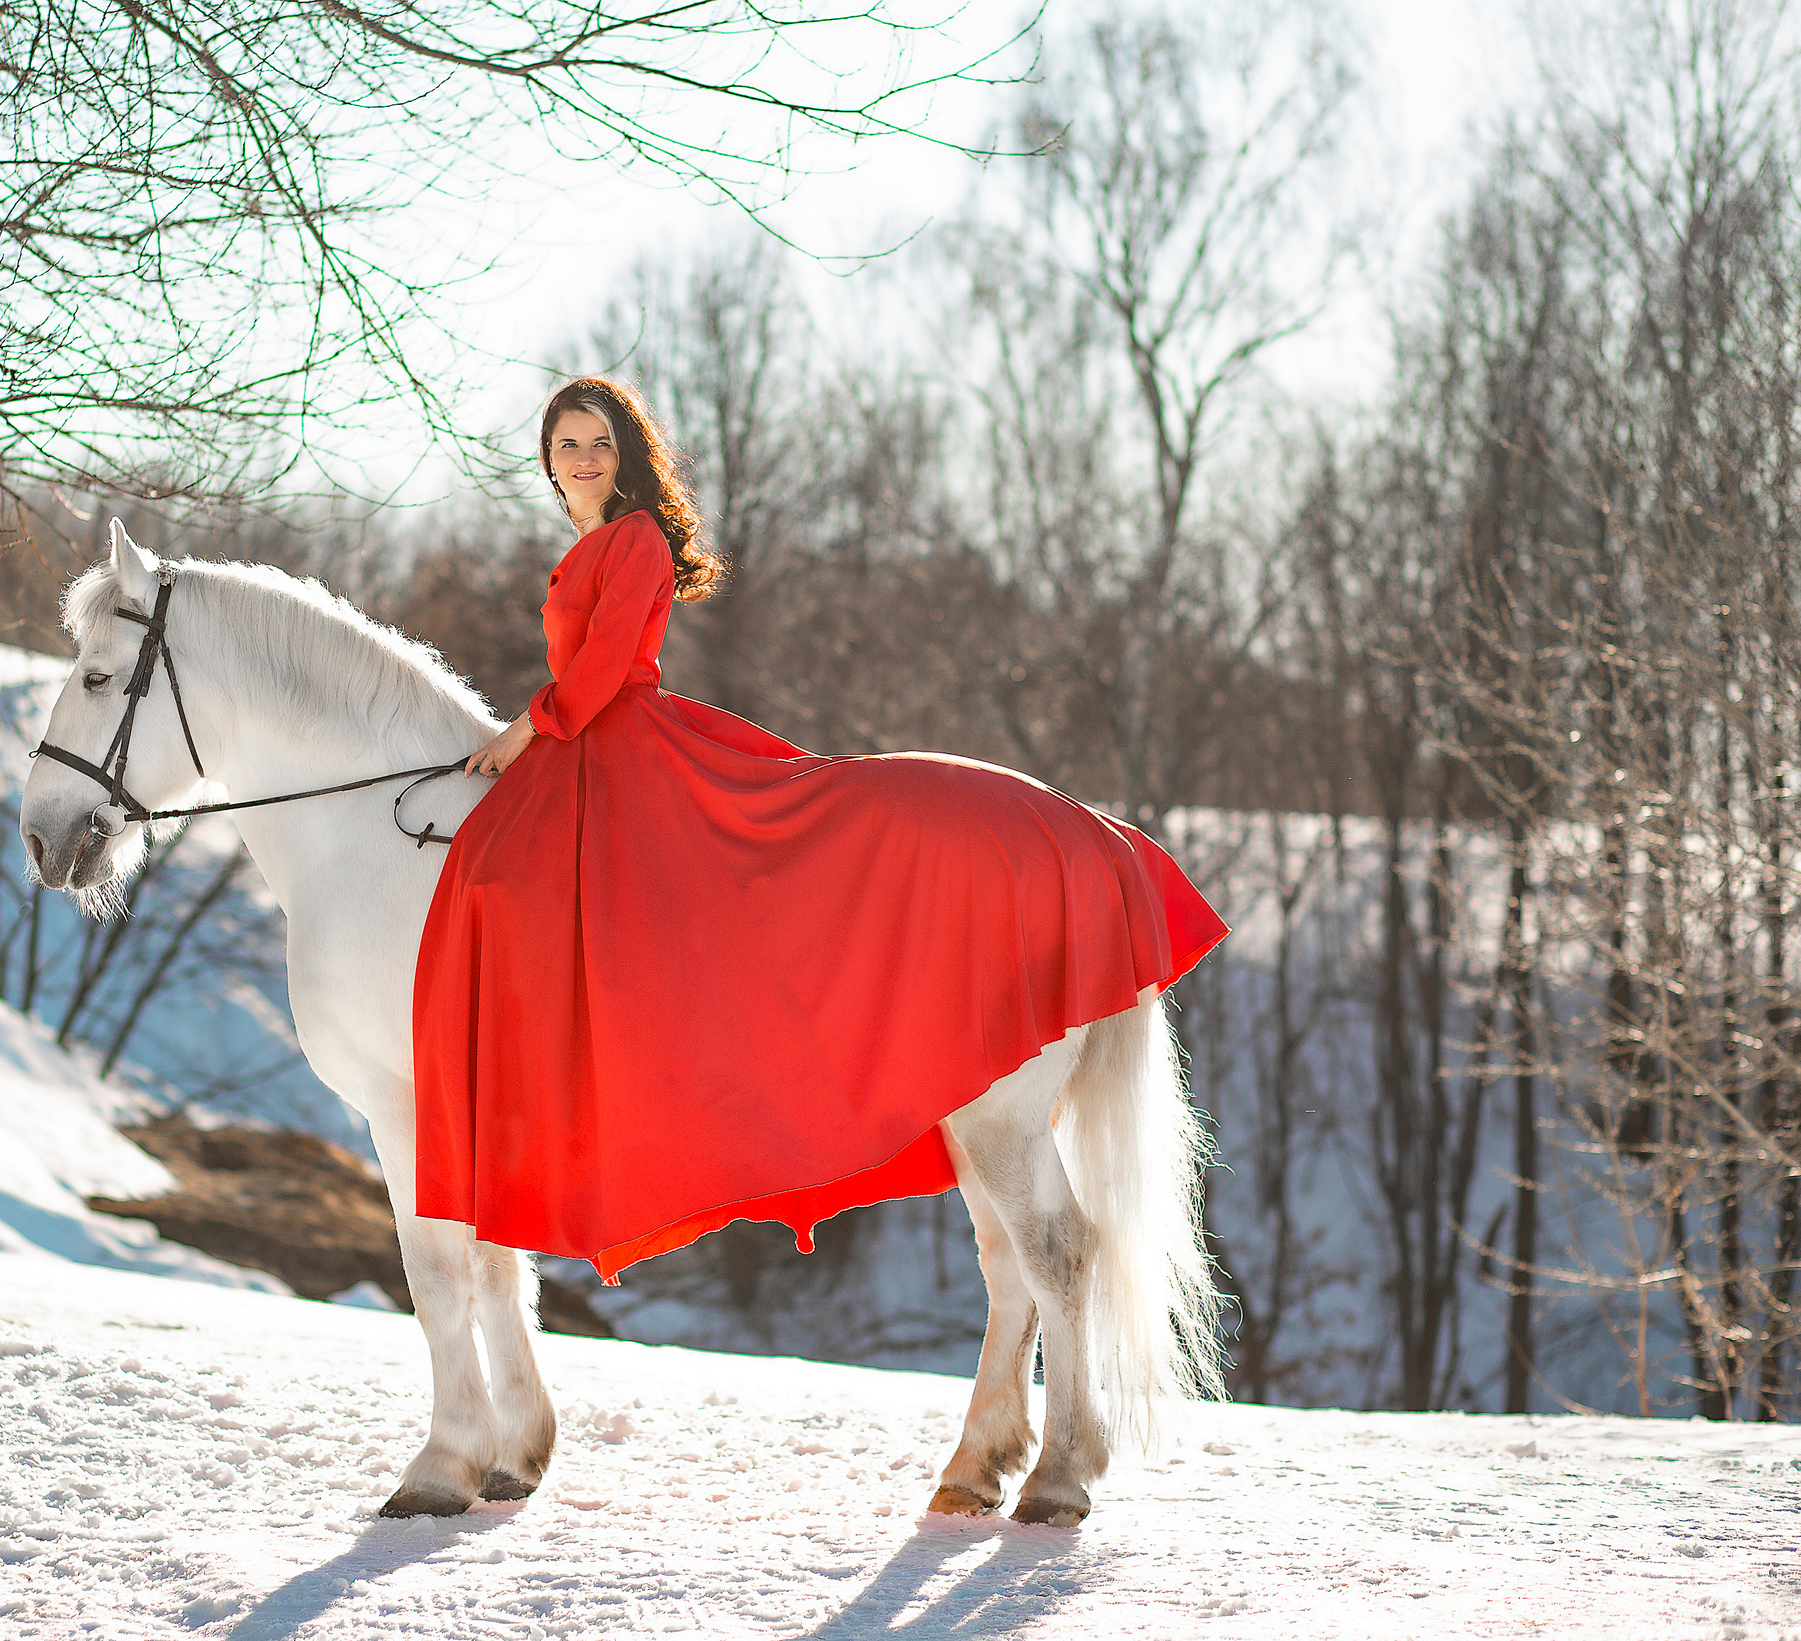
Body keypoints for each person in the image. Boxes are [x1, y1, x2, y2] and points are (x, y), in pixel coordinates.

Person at [411, 375, 1226, 1282]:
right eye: (567, 445)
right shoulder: (590, 542)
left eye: (599, 441)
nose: (584, 458)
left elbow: (601, 670)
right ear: (548, 463)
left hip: (615, 736)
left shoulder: (634, 538)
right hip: (589, 746)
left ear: (627, 453)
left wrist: (529, 723)